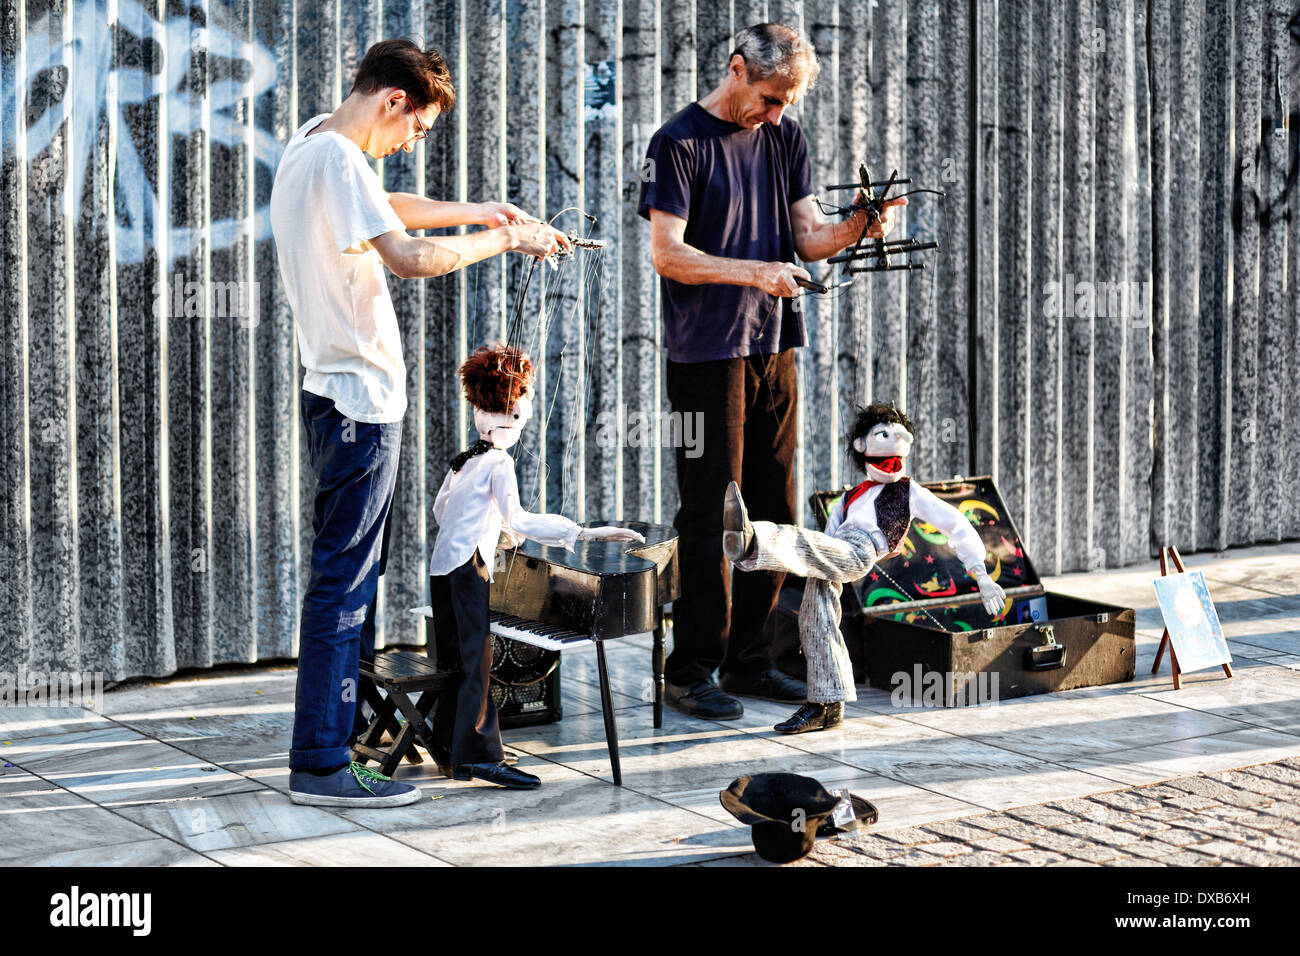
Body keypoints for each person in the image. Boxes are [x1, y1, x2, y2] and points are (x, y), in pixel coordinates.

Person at [270, 37, 569, 808]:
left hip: (333, 397)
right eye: (420, 130)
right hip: (361, 407)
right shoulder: (337, 155)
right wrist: (506, 239)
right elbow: (403, 254)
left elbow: (384, 209)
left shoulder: (312, 141)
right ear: (395, 100)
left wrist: (480, 210)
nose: (412, 143)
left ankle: (337, 750)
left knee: (346, 582)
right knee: (343, 585)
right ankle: (321, 765)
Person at [638, 23, 904, 720]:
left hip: (773, 347)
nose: (779, 111)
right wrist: (754, 271)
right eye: (770, 96)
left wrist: (858, 225)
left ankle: (752, 661)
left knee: (772, 509)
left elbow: (809, 236)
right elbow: (668, 254)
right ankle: (691, 668)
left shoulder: (785, 138)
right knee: (707, 512)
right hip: (702, 356)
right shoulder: (678, 143)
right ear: (736, 70)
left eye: (789, 99)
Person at [426, 345, 643, 789]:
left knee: (453, 662)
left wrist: (494, 528)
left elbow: (440, 510)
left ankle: (449, 748)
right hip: (469, 569)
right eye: (518, 416)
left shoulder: (462, 462)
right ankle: (480, 758)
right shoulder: (499, 462)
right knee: (477, 665)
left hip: (441, 568)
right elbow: (522, 519)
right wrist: (583, 533)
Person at [723, 403, 1007, 733]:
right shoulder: (849, 498)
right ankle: (826, 703)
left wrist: (981, 573)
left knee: (799, 540)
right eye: (884, 433)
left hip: (859, 552)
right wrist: (814, 565)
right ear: (861, 445)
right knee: (817, 618)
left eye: (901, 435)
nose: (897, 439)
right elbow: (825, 540)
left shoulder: (909, 491)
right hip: (836, 550)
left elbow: (956, 524)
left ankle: (753, 538)